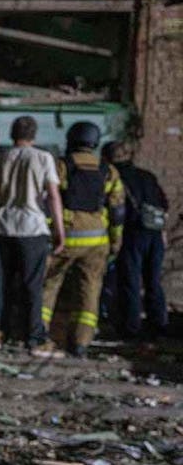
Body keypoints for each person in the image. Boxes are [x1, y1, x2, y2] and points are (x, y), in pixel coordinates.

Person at [0, 115, 65, 356]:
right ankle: (34, 338)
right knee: (31, 285)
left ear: (12, 134)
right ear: (34, 135)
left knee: (0, 283)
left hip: (2, 226)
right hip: (33, 229)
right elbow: (53, 196)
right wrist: (59, 230)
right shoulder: (44, 158)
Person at [41, 122, 125, 357]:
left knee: (48, 285)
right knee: (89, 291)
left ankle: (39, 335)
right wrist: (115, 241)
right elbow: (118, 211)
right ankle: (80, 343)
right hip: (97, 241)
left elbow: (48, 200)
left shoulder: (61, 166)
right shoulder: (109, 171)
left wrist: (48, 234)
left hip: (65, 238)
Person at [103, 140, 170, 342]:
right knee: (153, 281)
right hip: (154, 233)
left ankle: (131, 328)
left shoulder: (114, 177)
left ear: (107, 158)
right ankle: (159, 325)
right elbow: (163, 204)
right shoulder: (147, 176)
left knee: (130, 281)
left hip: (131, 234)